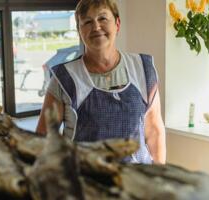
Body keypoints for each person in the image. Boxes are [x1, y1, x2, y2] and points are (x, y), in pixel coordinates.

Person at [36, 0, 166, 164]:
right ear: (80, 31)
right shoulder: (64, 78)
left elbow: (154, 130)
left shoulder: (142, 69)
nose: (96, 27)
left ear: (117, 24)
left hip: (136, 182)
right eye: (87, 22)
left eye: (103, 18)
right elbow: (44, 138)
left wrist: (159, 175)